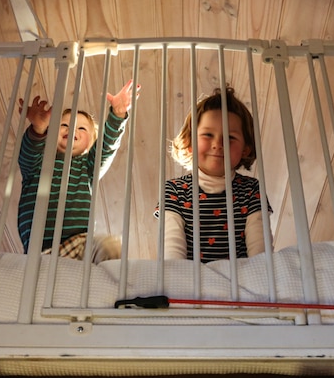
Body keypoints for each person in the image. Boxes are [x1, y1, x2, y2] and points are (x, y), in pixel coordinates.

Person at [17, 80, 139, 261]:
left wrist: (117, 114)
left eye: (81, 128)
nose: (72, 128)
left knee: (110, 247)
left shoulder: (87, 168)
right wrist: (39, 128)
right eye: (64, 125)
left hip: (80, 246)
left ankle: (107, 287)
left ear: (89, 144)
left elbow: (106, 147)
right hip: (40, 252)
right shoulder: (38, 164)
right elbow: (30, 150)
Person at [156, 86, 269, 262]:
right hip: (190, 282)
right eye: (208, 135)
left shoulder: (251, 190)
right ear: (190, 143)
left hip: (239, 282)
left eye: (230, 137)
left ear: (246, 149)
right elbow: (172, 252)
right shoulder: (173, 190)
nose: (218, 144)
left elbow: (260, 254)